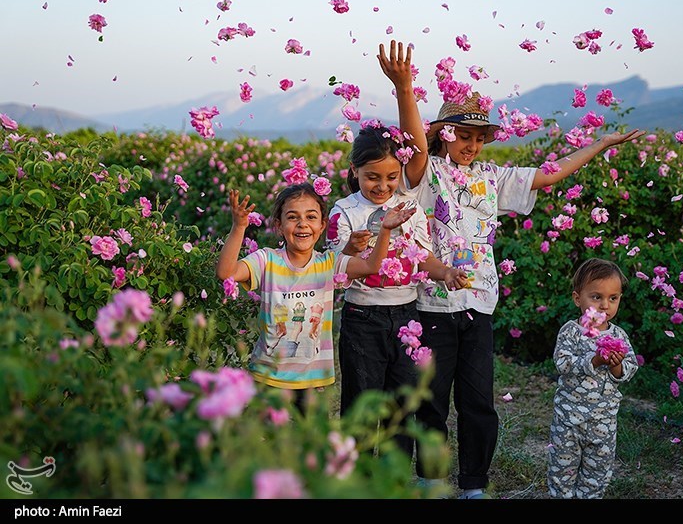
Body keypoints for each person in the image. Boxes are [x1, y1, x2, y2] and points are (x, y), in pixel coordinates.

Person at [379, 39, 645, 498]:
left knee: (479, 401)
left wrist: (600, 145)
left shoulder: (493, 178)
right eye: (464, 136)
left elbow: (550, 173)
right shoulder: (429, 174)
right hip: (432, 306)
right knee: (433, 401)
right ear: (445, 134)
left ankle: (474, 486)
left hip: (479, 305)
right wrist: (405, 89)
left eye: (480, 138)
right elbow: (413, 144)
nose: (472, 145)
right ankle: (431, 480)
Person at [326, 123, 468, 461]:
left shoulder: (411, 209)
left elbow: (424, 258)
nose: (383, 185)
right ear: (355, 171)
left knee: (402, 407)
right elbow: (335, 267)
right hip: (362, 318)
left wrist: (445, 273)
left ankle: (395, 481)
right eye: (373, 177)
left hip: (407, 316)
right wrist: (348, 247)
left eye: (392, 177)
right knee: (361, 403)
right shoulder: (343, 211)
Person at [215, 182, 416, 414]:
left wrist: (385, 231)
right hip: (268, 378)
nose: (302, 224)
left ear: (322, 226)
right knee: (267, 445)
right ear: (279, 226)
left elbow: (371, 266)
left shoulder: (329, 263)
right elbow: (226, 273)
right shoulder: (266, 260)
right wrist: (239, 227)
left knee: (310, 446)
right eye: (292, 217)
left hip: (311, 381)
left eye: (311, 217)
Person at [547, 258, 638, 499]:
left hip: (603, 420)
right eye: (596, 297)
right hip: (568, 418)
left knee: (598, 470)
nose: (605, 305)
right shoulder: (571, 331)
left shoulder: (619, 335)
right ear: (578, 298)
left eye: (613, 298)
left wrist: (617, 366)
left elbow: (630, 368)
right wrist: (594, 361)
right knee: (562, 469)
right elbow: (562, 363)